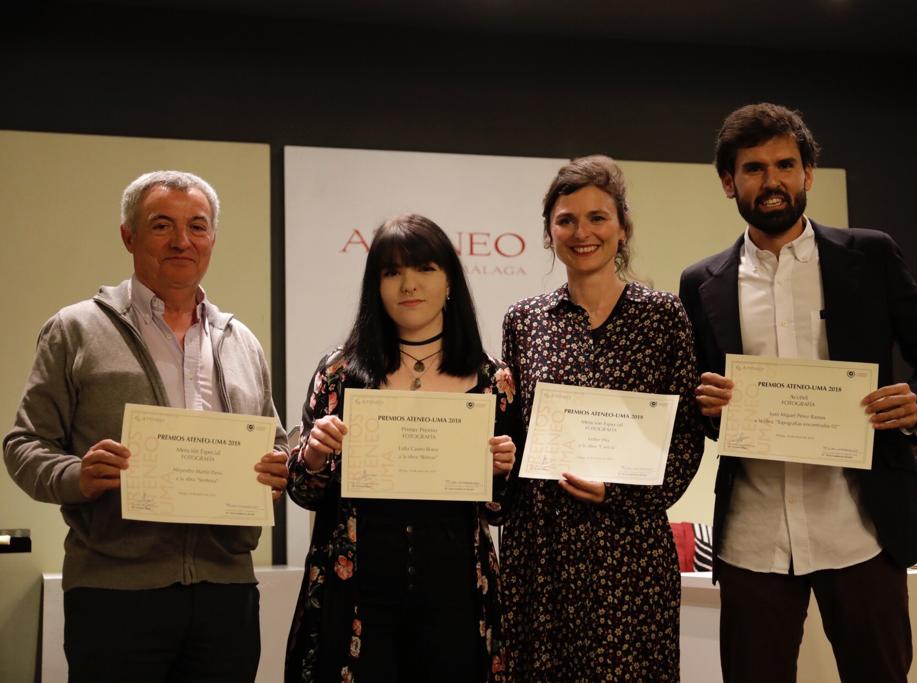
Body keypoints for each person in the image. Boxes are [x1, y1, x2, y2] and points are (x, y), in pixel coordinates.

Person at [679, 103, 917, 683]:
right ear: (728, 182)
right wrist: (707, 406)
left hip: (861, 527)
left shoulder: (870, 255)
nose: (772, 181)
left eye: (786, 164)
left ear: (808, 173)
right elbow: (702, 403)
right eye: (753, 168)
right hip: (752, 536)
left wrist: (916, 402)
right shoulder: (701, 282)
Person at [3, 170, 289, 681]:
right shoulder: (75, 329)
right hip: (115, 594)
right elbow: (24, 444)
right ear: (128, 236)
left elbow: (275, 443)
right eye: (162, 225)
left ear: (213, 239)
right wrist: (77, 476)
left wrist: (275, 472)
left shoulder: (241, 340)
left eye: (197, 227)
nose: (183, 240)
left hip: (228, 593)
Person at [284, 214, 521, 683]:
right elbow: (304, 491)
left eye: (425, 269)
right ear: (376, 285)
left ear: (450, 280)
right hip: (358, 594)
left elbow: (499, 510)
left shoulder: (494, 381)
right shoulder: (339, 372)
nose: (408, 284)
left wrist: (500, 471)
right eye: (391, 272)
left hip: (455, 595)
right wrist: (311, 455)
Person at [499, 155, 704, 681]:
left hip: (630, 545)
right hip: (541, 550)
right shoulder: (524, 321)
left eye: (597, 217)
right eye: (566, 220)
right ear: (549, 233)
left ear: (622, 228)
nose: (581, 232)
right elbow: (512, 434)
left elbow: (684, 439)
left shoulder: (663, 316)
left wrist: (619, 493)